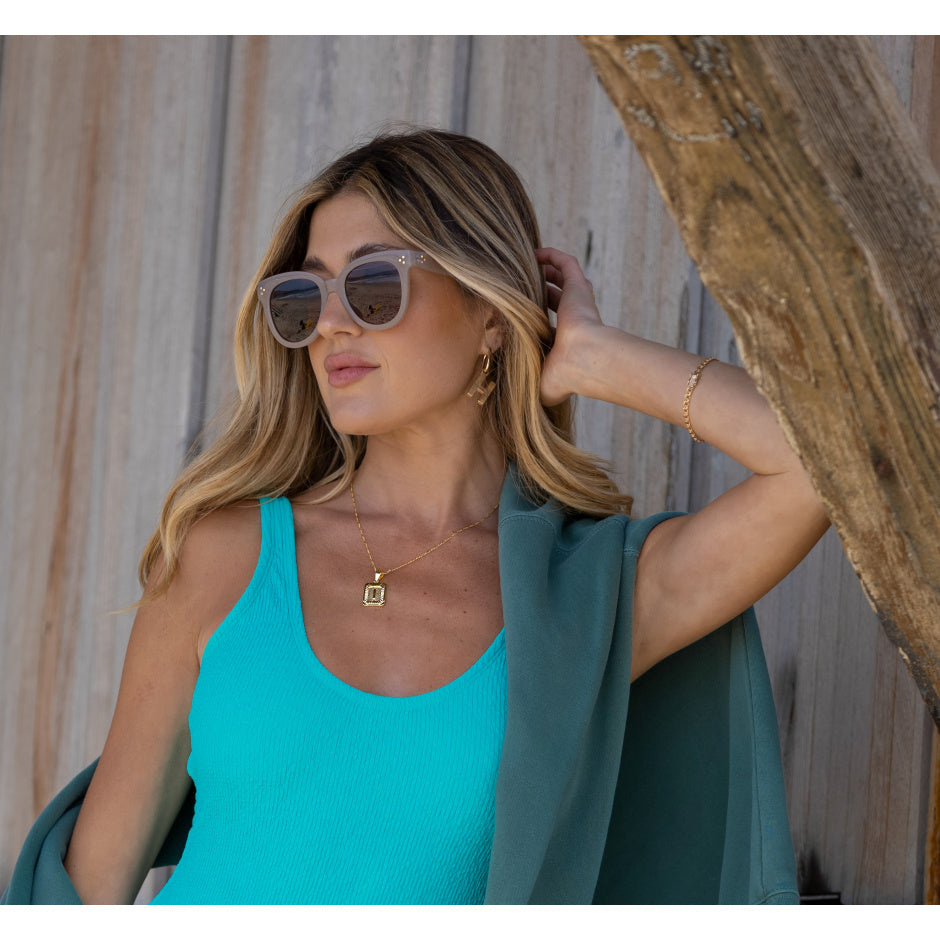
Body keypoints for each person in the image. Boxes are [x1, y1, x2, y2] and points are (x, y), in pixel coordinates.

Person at [7, 127, 829, 905]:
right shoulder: (221, 555)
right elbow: (85, 893)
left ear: (489, 315)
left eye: (374, 287)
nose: (330, 325)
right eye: (303, 299)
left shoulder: (588, 601)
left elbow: (816, 473)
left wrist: (591, 355)